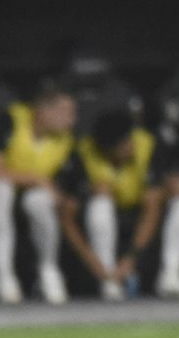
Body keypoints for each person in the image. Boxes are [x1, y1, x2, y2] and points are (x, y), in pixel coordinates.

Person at [0, 80, 80, 305]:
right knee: (1, 191)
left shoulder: (67, 139)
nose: (71, 119)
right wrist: (38, 179)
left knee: (39, 201)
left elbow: (66, 190)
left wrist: (62, 198)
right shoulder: (11, 119)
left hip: (32, 193)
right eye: (64, 112)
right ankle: (3, 274)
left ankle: (48, 269)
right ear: (42, 111)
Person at [55, 108, 163, 300]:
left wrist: (131, 258)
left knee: (163, 198)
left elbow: (153, 207)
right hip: (94, 218)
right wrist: (92, 261)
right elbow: (66, 216)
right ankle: (108, 279)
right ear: (108, 149)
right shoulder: (83, 154)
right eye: (124, 143)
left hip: (137, 212)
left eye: (130, 138)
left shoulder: (147, 145)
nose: (131, 145)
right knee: (101, 198)